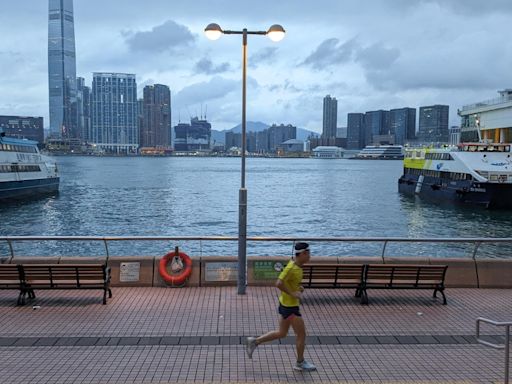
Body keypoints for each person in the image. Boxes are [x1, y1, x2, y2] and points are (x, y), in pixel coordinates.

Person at [245, 242, 317, 372]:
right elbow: (278, 283)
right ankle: (300, 363)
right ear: (303, 254)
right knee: (301, 334)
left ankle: (254, 342)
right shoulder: (291, 268)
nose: (310, 257)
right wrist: (293, 293)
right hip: (290, 308)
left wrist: (297, 288)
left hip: (286, 305)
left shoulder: (297, 266)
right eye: (308, 254)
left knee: (282, 333)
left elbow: (287, 283)